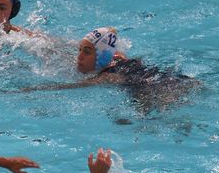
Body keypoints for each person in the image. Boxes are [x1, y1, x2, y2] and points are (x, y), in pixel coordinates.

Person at [21, 27, 199, 113]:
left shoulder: (109, 76)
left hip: (157, 90)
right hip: (169, 77)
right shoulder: (117, 56)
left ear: (103, 57)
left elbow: (72, 87)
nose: (79, 56)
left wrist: (31, 90)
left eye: (87, 52)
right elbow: (59, 44)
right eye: (80, 50)